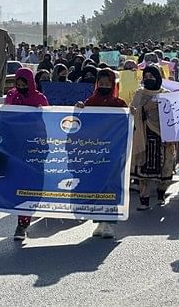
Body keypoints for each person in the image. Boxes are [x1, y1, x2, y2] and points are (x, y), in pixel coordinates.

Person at [76, 68, 128, 239]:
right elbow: (80, 125)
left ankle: (110, 224)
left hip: (113, 153)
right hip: (94, 154)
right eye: (101, 84)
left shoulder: (119, 105)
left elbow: (127, 126)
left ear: (113, 85)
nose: (104, 87)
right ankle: (100, 222)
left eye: (108, 84)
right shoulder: (90, 103)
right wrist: (79, 110)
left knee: (111, 186)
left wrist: (131, 115)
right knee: (97, 186)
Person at [4, 68, 49, 240]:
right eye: (19, 84)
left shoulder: (39, 98)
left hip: (34, 148)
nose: (21, 87)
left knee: (32, 186)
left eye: (25, 84)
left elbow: (49, 120)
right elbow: (4, 117)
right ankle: (21, 222)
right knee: (16, 186)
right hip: (15, 148)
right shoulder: (11, 96)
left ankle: (23, 223)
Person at [130, 65, 176, 210]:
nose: (149, 79)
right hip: (144, 136)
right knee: (143, 170)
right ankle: (144, 200)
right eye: (146, 76)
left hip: (163, 138)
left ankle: (161, 194)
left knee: (165, 167)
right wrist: (144, 108)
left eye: (152, 76)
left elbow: (173, 116)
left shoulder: (166, 94)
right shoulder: (139, 94)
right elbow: (133, 114)